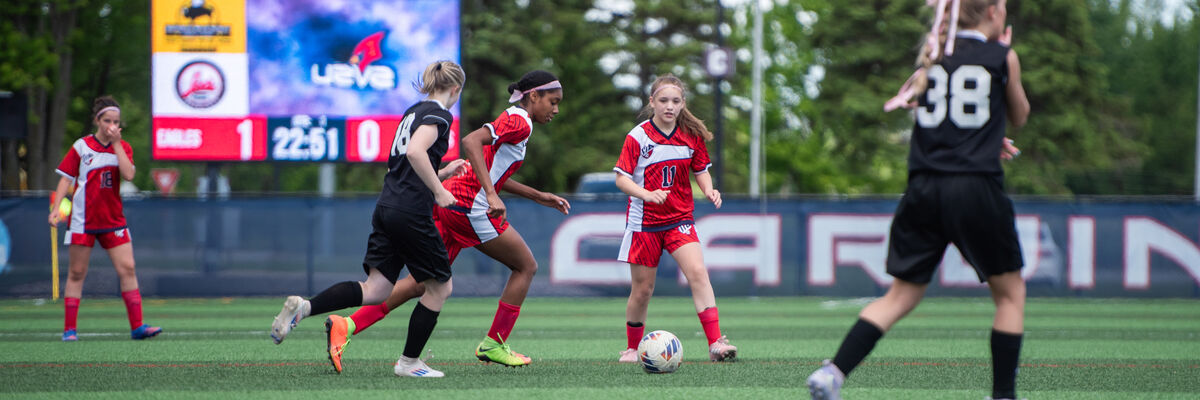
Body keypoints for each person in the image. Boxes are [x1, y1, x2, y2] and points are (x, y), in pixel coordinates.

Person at [806, 0, 1030, 399]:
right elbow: (1020, 114)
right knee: (1010, 295)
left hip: (924, 189)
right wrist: (1005, 59)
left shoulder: (933, 60)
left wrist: (984, 140)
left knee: (900, 295)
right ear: (994, 13)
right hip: (975, 188)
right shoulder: (1001, 55)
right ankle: (1003, 396)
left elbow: (944, 121)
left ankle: (833, 373)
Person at [324, 70, 569, 373]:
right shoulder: (521, 120)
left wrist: (536, 195)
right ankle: (494, 342)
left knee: (422, 283)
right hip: (468, 207)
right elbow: (471, 142)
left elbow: (489, 170)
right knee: (526, 266)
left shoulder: (515, 119)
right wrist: (491, 196)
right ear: (534, 96)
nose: (556, 109)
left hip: (454, 203)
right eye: (553, 101)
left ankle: (346, 326)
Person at [269, 60, 467, 378]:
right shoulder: (440, 115)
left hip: (388, 206)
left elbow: (401, 167)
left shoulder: (412, 112)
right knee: (440, 288)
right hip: (411, 213)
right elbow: (416, 153)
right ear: (455, 88)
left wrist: (443, 171)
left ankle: (305, 308)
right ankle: (409, 363)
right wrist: (440, 191)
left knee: (375, 289)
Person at [613, 74, 737, 363]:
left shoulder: (690, 135)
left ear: (683, 104)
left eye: (676, 101)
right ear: (652, 102)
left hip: (679, 219)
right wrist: (646, 194)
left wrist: (709, 189)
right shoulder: (638, 136)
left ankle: (716, 343)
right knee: (643, 290)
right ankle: (632, 348)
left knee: (698, 272)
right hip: (644, 222)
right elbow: (621, 179)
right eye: (664, 100)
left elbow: (701, 169)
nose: (669, 106)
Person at [48, 96, 162, 342]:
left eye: (116, 122)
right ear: (97, 121)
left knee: (128, 268)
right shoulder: (82, 146)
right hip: (83, 220)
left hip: (113, 220)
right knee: (77, 272)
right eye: (107, 120)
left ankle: (138, 327)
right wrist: (56, 208)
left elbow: (129, 174)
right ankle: (69, 330)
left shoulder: (123, 147)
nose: (112, 125)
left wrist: (118, 144)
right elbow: (66, 179)